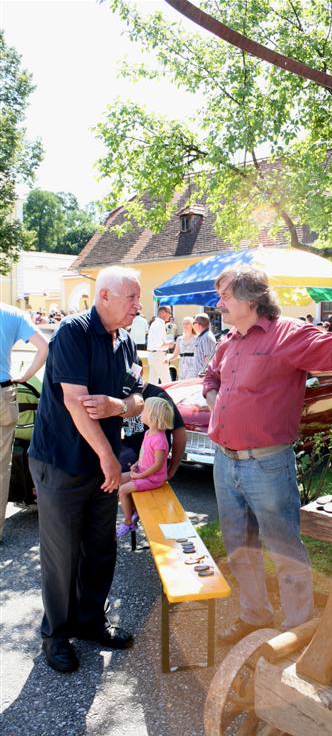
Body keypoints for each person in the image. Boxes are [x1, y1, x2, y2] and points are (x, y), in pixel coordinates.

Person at [203, 265, 332, 643]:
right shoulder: (228, 340)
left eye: (225, 296)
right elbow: (211, 376)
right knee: (239, 546)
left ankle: (297, 626)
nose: (218, 303)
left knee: (283, 546)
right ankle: (255, 614)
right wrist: (215, 399)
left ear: (252, 299)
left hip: (266, 465)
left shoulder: (288, 335)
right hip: (224, 461)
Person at [28, 266, 144, 673]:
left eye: (138, 298)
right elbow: (76, 403)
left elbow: (138, 399)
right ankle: (56, 636)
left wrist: (119, 407)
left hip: (102, 467)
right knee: (62, 555)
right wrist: (110, 459)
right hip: (62, 461)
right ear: (105, 297)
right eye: (131, 297)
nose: (138, 305)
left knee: (100, 547)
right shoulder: (73, 334)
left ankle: (91, 622)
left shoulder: (127, 340)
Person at [0, 303, 48, 541]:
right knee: (1, 467)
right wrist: (26, 377)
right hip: (4, 392)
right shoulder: (12, 314)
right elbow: (44, 348)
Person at [117, 397, 175, 537]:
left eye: (144, 411)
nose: (140, 413)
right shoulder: (148, 433)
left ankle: (128, 521)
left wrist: (140, 476)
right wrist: (137, 464)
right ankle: (134, 510)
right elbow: (144, 454)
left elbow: (157, 465)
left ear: (153, 416)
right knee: (118, 480)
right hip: (143, 473)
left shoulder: (160, 440)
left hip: (152, 479)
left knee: (123, 490)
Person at [119, 381, 187, 479]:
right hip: (131, 452)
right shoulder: (118, 393)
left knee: (114, 481)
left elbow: (180, 435)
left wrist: (171, 471)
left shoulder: (158, 398)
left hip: (147, 461)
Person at [147, 305, 175, 385]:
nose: (170, 315)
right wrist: (170, 344)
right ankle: (170, 397)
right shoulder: (159, 324)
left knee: (152, 382)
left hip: (153, 355)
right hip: (159, 355)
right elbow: (159, 344)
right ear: (162, 312)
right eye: (169, 312)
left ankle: (150, 397)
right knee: (167, 381)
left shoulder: (155, 323)